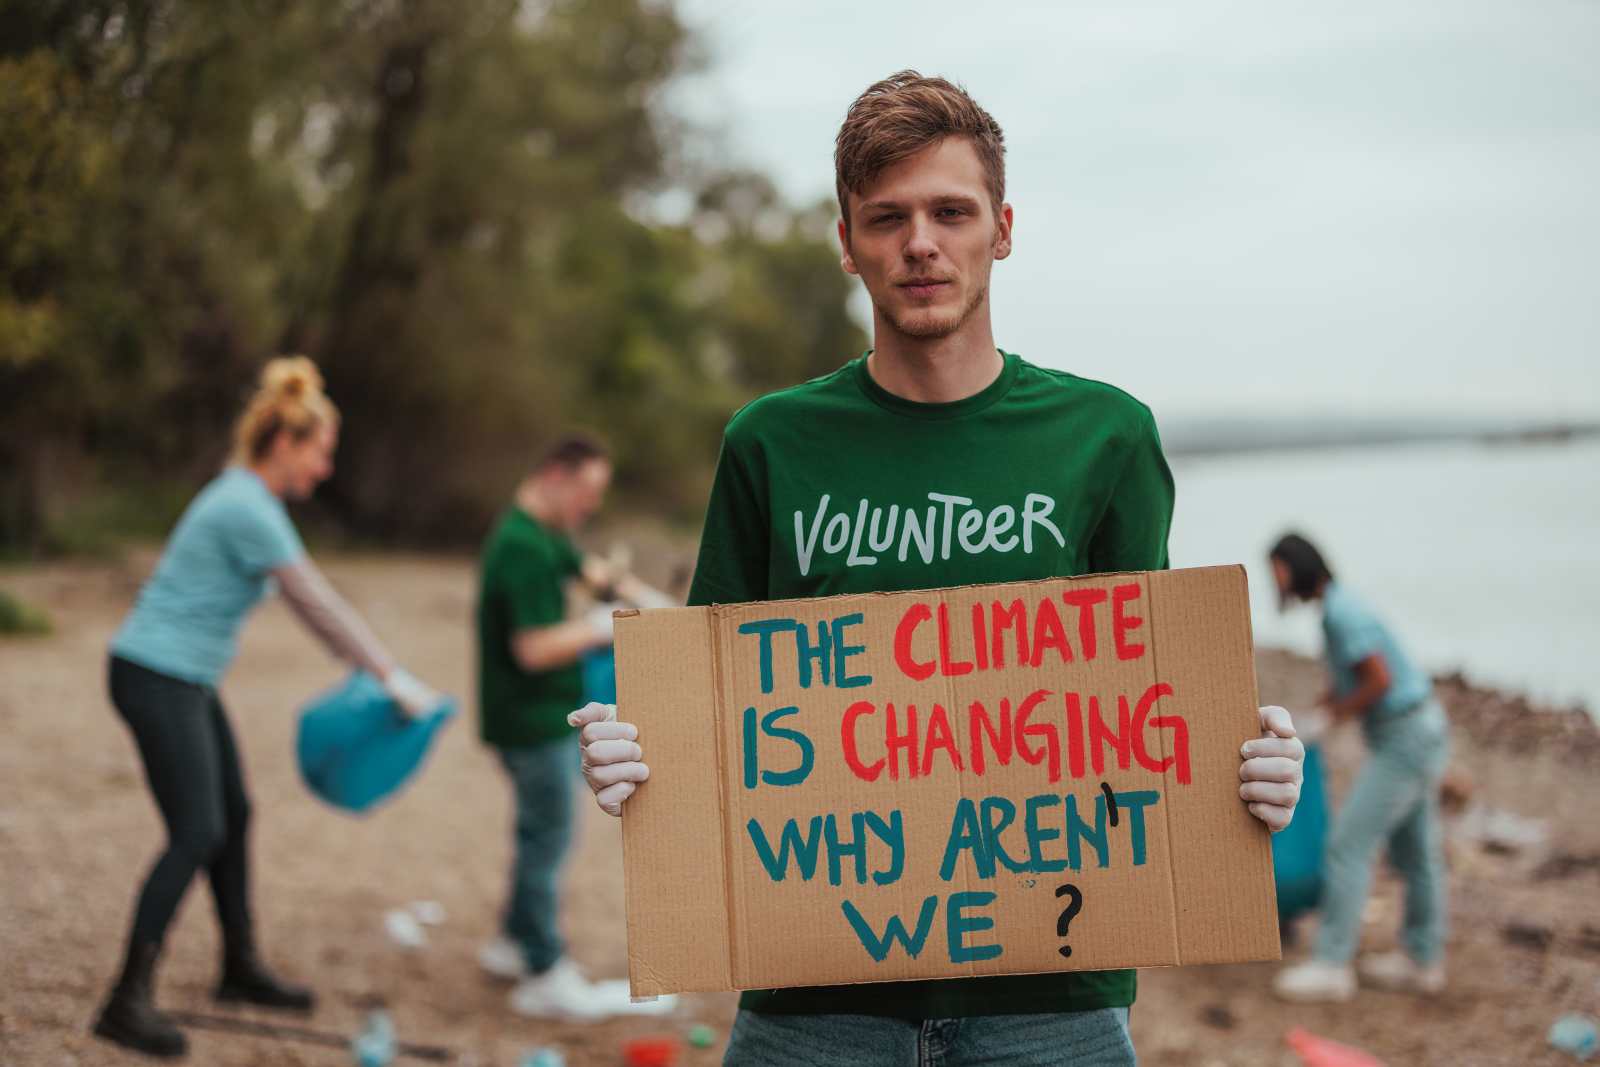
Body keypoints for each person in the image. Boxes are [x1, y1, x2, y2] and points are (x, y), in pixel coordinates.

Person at [570, 72, 1309, 1065]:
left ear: (1002, 228)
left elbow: (1148, 709)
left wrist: (1248, 770)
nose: (920, 242)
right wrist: (633, 759)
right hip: (810, 1000)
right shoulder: (769, 444)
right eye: (888, 217)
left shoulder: (1108, 436)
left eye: (950, 212)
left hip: (1052, 1001)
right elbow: (707, 714)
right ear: (847, 241)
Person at [94, 357, 443, 1058]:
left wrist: (379, 671)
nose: (325, 468)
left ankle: (238, 966)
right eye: (321, 452)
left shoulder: (249, 501)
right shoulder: (246, 507)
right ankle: (125, 1000)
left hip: (184, 677)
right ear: (284, 442)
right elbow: (315, 602)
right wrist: (389, 675)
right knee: (196, 830)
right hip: (155, 674)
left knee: (235, 814)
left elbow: (309, 604)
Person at [473, 436, 673, 1019]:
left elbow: (592, 572)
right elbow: (533, 649)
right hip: (531, 721)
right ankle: (543, 970)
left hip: (534, 717)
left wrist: (650, 603)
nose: (592, 505)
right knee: (549, 838)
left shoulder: (543, 534)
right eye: (587, 491)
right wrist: (604, 625)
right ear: (556, 476)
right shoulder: (522, 546)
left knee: (538, 832)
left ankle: (511, 943)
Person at [1269, 533, 1451, 1002]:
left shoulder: (1341, 613)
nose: (1277, 582)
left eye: (1278, 571)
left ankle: (1332, 964)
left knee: (1348, 845)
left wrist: (1331, 718)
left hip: (1404, 740)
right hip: (1422, 729)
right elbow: (1350, 677)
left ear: (1298, 565)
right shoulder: (1339, 606)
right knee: (1417, 852)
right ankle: (1423, 960)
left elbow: (1378, 679)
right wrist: (1319, 712)